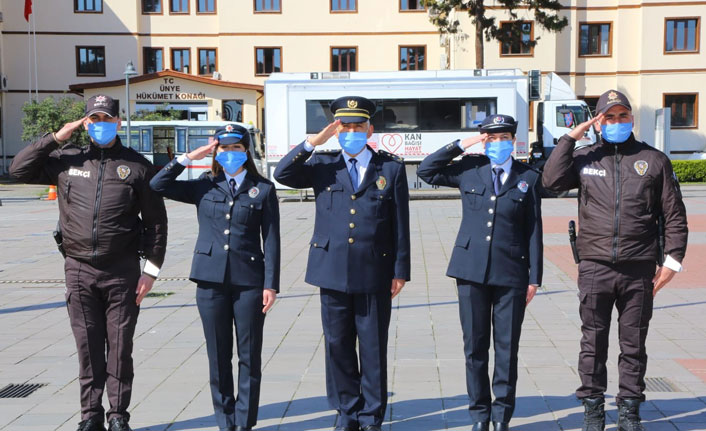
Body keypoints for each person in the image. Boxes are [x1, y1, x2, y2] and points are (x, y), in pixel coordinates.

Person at [9, 94, 168, 431]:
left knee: (121, 347)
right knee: (87, 346)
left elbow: (156, 223)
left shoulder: (137, 166)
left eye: (106, 119)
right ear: (85, 123)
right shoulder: (67, 160)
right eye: (94, 120)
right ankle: (90, 416)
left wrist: (151, 271)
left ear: (118, 123)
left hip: (122, 271)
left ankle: (118, 416)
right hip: (79, 269)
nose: (100, 125)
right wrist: (56, 137)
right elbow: (17, 169)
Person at [542, 89, 688, 431]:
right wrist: (570, 138)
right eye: (609, 117)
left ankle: (629, 411)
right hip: (594, 266)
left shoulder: (654, 160)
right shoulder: (585, 157)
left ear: (632, 119)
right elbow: (550, 181)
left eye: (623, 116)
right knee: (592, 342)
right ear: (598, 121)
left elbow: (675, 216)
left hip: (639, 268)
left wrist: (672, 262)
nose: (617, 122)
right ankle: (593, 410)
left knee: (633, 343)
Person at [273, 96, 410, 431]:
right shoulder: (323, 165)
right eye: (345, 127)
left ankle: (371, 415)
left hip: (374, 270)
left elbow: (400, 224)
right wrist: (312, 142)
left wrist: (400, 271)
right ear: (336, 131)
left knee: (373, 347)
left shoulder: (389, 168)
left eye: (357, 127)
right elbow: (282, 173)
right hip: (331, 269)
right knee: (337, 345)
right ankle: (347, 412)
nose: (351, 132)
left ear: (369, 129)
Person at [150, 124, 280, 431]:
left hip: (249, 282)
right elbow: (157, 184)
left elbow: (271, 239)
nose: (230, 154)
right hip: (209, 282)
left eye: (236, 148)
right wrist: (189, 157)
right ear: (216, 152)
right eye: (223, 148)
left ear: (246, 152)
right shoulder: (203, 186)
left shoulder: (262, 189)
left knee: (249, 356)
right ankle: (225, 422)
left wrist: (270, 284)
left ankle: (244, 422)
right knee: (218, 356)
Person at [417, 114, 543, 431]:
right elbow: (426, 170)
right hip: (470, 271)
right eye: (491, 138)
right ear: (483, 140)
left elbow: (533, 230)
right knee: (474, 348)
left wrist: (534, 277)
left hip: (512, 274)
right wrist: (462, 144)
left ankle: (501, 416)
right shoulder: (469, 169)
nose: (498, 144)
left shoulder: (528, 176)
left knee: (506, 348)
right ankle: (479, 416)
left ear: (513, 140)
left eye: (504, 138)